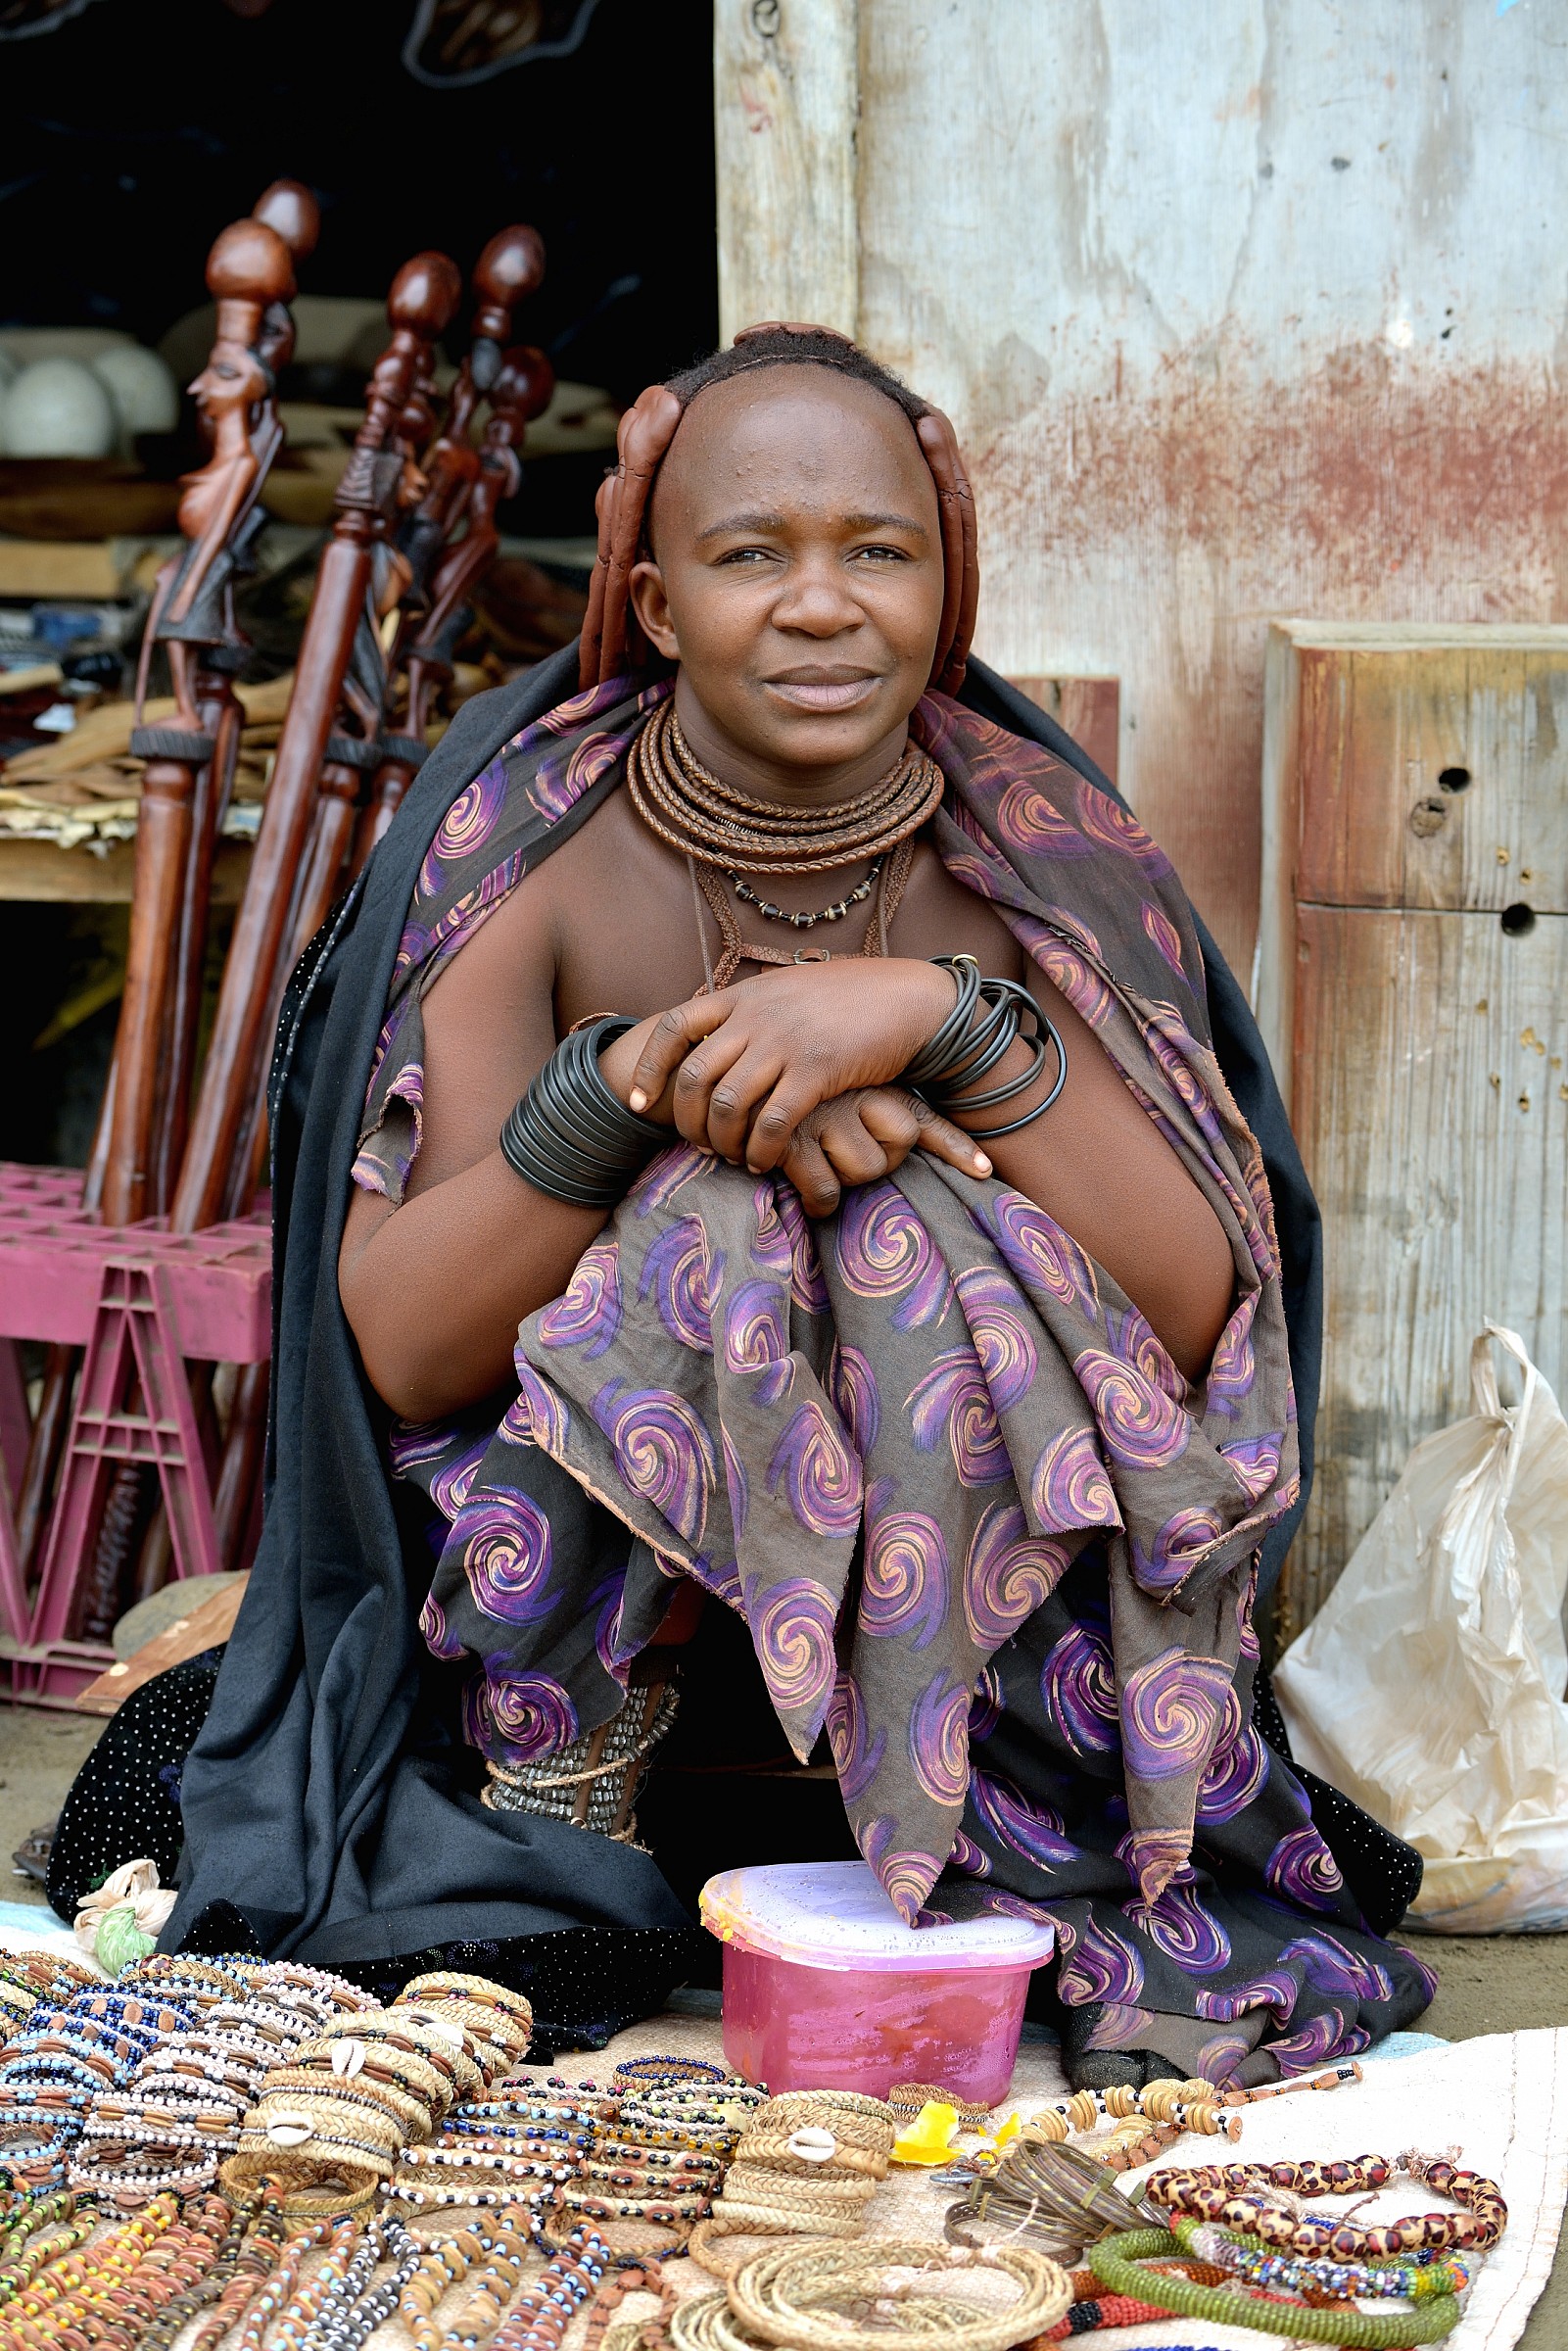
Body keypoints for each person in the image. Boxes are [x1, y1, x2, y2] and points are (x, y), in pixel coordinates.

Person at [73, 326, 1432, 2080]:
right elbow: (403, 1352)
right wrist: (638, 1090)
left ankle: (975, 1812)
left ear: (946, 601)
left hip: (999, 1665)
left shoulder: (1032, 869)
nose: (818, 604)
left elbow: (1191, 1306)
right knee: (713, 1222)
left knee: (904, 1227)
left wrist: (944, 1025)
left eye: (877, 553)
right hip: (591, 1655)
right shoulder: (532, 866)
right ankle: (559, 1827)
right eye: (747, 555)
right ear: (649, 605)